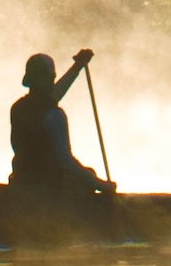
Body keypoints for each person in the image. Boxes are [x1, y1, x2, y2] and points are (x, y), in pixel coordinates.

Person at [10, 48, 114, 194]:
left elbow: (48, 99)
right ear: (50, 79)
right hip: (49, 184)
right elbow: (65, 161)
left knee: (88, 174)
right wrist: (99, 184)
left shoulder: (18, 108)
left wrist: (77, 67)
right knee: (87, 177)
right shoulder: (54, 116)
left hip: (22, 177)